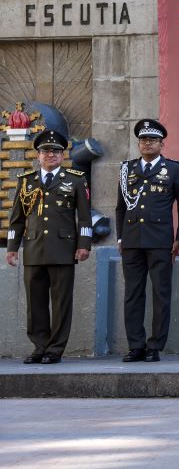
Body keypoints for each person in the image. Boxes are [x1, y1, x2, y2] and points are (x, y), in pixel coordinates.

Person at [6, 130, 91, 364]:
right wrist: (12, 247)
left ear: (62, 156)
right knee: (35, 303)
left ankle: (55, 349)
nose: (51, 154)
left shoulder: (75, 180)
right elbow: (17, 219)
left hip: (63, 249)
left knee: (61, 302)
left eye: (56, 151)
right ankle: (39, 346)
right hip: (34, 249)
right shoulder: (26, 182)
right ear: (38, 155)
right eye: (46, 151)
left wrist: (84, 245)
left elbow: (84, 218)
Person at [115, 119, 179, 363]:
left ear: (162, 143)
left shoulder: (174, 169)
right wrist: (119, 236)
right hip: (132, 241)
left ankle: (155, 345)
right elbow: (119, 209)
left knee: (161, 294)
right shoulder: (127, 169)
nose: (147, 143)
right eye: (143, 140)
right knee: (133, 295)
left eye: (153, 140)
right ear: (139, 143)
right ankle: (135, 345)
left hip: (161, 242)